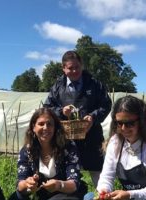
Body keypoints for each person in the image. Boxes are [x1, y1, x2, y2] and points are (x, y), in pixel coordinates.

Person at [8, 108, 87, 200]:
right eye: (41, 124)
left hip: (66, 193)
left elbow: (74, 184)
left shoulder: (68, 147)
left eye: (49, 124)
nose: (45, 128)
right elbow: (20, 182)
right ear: (33, 127)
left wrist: (59, 185)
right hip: (41, 195)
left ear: (55, 128)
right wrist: (28, 184)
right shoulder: (27, 151)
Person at [43, 50, 112, 187]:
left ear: (82, 66)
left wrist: (93, 116)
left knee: (98, 174)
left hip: (92, 137)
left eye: (77, 67)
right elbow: (47, 108)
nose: (74, 71)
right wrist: (61, 111)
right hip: (66, 140)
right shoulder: (58, 87)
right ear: (63, 68)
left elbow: (106, 104)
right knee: (68, 173)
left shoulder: (94, 84)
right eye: (70, 68)